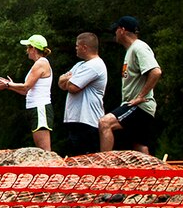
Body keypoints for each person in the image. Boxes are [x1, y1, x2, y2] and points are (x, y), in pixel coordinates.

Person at [98, 16, 161, 155]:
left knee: (105, 123)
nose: (115, 33)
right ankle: (149, 176)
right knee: (139, 146)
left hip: (139, 106)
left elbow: (156, 72)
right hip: (140, 107)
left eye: (116, 30)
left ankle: (103, 169)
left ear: (122, 30)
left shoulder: (139, 47)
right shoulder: (131, 50)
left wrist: (140, 96)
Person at [0, 34, 53, 151]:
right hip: (35, 108)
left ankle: (51, 169)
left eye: (28, 48)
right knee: (41, 150)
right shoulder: (38, 64)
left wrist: (8, 84)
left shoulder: (41, 63)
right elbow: (26, 92)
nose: (27, 51)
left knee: (45, 150)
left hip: (40, 108)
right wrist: (8, 86)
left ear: (33, 49)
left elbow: (26, 87)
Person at [57, 32, 107, 156]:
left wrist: (68, 80)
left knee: (87, 158)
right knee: (75, 158)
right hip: (74, 119)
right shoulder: (80, 65)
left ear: (84, 47)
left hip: (88, 120)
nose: (76, 48)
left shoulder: (95, 65)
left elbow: (73, 87)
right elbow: (60, 83)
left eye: (77, 45)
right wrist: (69, 79)